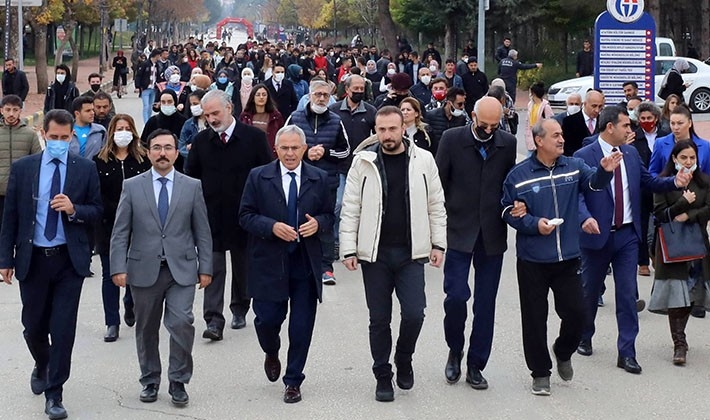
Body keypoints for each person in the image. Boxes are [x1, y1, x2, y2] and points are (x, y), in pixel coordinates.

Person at [501, 118, 621, 395]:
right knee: (534, 319)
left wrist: (604, 171)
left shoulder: (574, 167)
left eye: (562, 135)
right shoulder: (518, 175)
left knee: (577, 315)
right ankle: (540, 373)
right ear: (539, 141)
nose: (561, 139)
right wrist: (533, 224)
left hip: (568, 257)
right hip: (532, 260)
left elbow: (593, 185)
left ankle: (563, 350)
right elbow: (507, 211)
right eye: (555, 135)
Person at [0, 109, 102, 419]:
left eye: (64, 137)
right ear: (43, 134)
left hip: (68, 261)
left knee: (62, 329)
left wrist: (74, 210)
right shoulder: (24, 168)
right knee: (33, 327)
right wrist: (5, 258)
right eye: (53, 137)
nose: (59, 142)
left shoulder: (84, 169)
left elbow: (97, 211)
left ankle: (55, 392)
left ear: (72, 136)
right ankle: (41, 362)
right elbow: (11, 217)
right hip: (33, 260)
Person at [340, 106, 446, 402]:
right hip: (375, 255)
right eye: (381, 129)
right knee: (379, 319)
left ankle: (404, 356)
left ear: (403, 129)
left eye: (392, 129)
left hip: (411, 252)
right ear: (376, 130)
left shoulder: (423, 160)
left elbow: (436, 204)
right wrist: (348, 248)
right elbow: (351, 208)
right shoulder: (363, 162)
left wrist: (438, 244)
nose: (387, 135)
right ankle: (382, 374)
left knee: (414, 313)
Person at [573, 107, 689, 375]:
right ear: (610, 127)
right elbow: (577, 195)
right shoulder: (583, 156)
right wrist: (584, 218)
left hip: (626, 236)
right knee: (589, 292)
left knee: (627, 295)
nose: (631, 130)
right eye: (626, 125)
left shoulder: (631, 153)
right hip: (595, 236)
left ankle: (627, 352)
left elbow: (648, 181)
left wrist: (675, 181)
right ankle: (584, 335)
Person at [110, 128, 212, 407]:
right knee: (146, 328)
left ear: (177, 153)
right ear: (148, 152)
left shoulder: (192, 186)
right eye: (157, 148)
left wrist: (206, 267)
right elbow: (121, 231)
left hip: (182, 269)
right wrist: (118, 267)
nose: (162, 153)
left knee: (181, 323)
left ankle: (178, 379)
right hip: (143, 270)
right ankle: (150, 379)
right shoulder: (132, 186)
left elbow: (202, 231)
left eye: (168, 148)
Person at [239, 125, 334, 404]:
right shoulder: (259, 177)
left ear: (304, 149)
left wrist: (319, 224)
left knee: (302, 326)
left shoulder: (318, 177)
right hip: (269, 262)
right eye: (285, 148)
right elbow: (245, 215)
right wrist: (271, 227)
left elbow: (329, 215)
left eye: (295, 148)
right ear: (276, 149)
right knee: (267, 320)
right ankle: (271, 350)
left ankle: (293, 380)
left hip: (304, 263)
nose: (290, 153)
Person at [436, 97, 517, 390]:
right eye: (484, 125)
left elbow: (511, 183)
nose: (489, 131)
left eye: (495, 126)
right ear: (472, 116)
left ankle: (476, 364)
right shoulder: (451, 139)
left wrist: (517, 205)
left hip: (492, 235)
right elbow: (438, 185)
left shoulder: (507, 143)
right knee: (456, 297)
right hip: (458, 230)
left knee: (485, 304)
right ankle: (454, 350)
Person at [186, 89, 272, 339]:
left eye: (215, 113)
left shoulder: (254, 138)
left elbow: (266, 175)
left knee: (243, 265)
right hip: (211, 216)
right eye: (207, 115)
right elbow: (191, 178)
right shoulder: (202, 142)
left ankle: (240, 307)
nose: (211, 119)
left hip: (245, 216)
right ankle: (213, 319)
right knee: (212, 268)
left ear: (229, 109)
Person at [648, 140, 710, 365]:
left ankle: (681, 335)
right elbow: (660, 215)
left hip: (697, 244)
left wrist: (688, 215)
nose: (688, 162)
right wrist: (682, 203)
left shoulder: (704, 183)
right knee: (676, 296)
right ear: (674, 159)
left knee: (693, 295)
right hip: (671, 245)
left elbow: (708, 209)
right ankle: (679, 343)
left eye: (692, 158)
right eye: (684, 157)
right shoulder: (663, 183)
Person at [286, 80, 350, 286]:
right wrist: (303, 154)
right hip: (299, 180)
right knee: (295, 220)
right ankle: (295, 263)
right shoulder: (295, 118)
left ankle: (326, 268)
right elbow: (282, 147)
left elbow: (346, 150)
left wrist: (326, 152)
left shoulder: (335, 120)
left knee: (325, 224)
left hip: (327, 181)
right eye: (317, 94)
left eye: (325, 95)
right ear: (309, 95)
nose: (321, 98)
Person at [93, 114, 151, 342]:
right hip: (109, 226)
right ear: (111, 132)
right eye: (119, 128)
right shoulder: (100, 161)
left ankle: (130, 302)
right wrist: (117, 211)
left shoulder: (143, 159)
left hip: (139, 226)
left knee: (134, 273)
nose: (123, 132)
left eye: (127, 128)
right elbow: (97, 193)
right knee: (110, 274)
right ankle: (111, 322)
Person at [633, 101, 670, 277]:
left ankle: (656, 255)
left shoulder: (665, 136)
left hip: (661, 186)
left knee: (659, 223)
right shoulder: (633, 137)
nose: (646, 121)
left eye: (649, 118)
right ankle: (642, 262)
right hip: (640, 188)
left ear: (656, 118)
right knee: (640, 224)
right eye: (643, 118)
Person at [0, 95, 42, 230]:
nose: (11, 114)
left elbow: (38, 163)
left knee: (22, 231)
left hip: (22, 194)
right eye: (8, 110)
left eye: (15, 110)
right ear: (2, 111)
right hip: (0, 194)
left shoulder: (30, 134)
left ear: (20, 111)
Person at [141, 90, 188, 170]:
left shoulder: (184, 122)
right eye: (163, 102)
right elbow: (143, 144)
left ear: (175, 102)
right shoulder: (152, 122)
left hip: (180, 166)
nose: (166, 105)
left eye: (170, 102)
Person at [239, 84, 285, 158]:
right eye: (258, 95)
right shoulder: (245, 116)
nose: (261, 97)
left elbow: (281, 135)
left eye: (264, 95)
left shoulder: (276, 116)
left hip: (270, 154)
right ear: (253, 98)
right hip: (249, 154)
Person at [562, 89, 605, 156]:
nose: (597, 110)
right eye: (594, 106)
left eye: (600, 107)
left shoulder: (604, 121)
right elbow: (566, 147)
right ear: (585, 104)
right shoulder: (569, 122)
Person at [425, 87, 468, 154]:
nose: (462, 107)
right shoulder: (431, 116)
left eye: (463, 104)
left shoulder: (462, 119)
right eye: (459, 104)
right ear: (449, 103)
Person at [179, 89, 209, 170]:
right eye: (191, 105)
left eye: (195, 104)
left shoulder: (213, 123)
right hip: (192, 167)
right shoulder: (188, 124)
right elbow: (181, 146)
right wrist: (195, 154)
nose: (193, 107)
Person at [70, 95, 107, 160]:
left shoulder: (100, 131)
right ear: (77, 113)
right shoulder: (66, 131)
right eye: (88, 111)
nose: (92, 113)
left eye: (93, 110)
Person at [525, 82, 554, 156]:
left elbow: (550, 123)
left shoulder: (545, 107)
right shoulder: (530, 105)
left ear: (533, 94)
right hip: (531, 138)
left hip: (541, 138)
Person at [135, 49, 162, 123]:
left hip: (153, 88)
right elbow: (139, 75)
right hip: (145, 88)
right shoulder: (145, 64)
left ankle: (149, 120)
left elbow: (158, 76)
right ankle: (146, 122)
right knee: (146, 106)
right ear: (156, 56)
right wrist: (137, 86)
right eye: (159, 55)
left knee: (150, 107)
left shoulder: (157, 65)